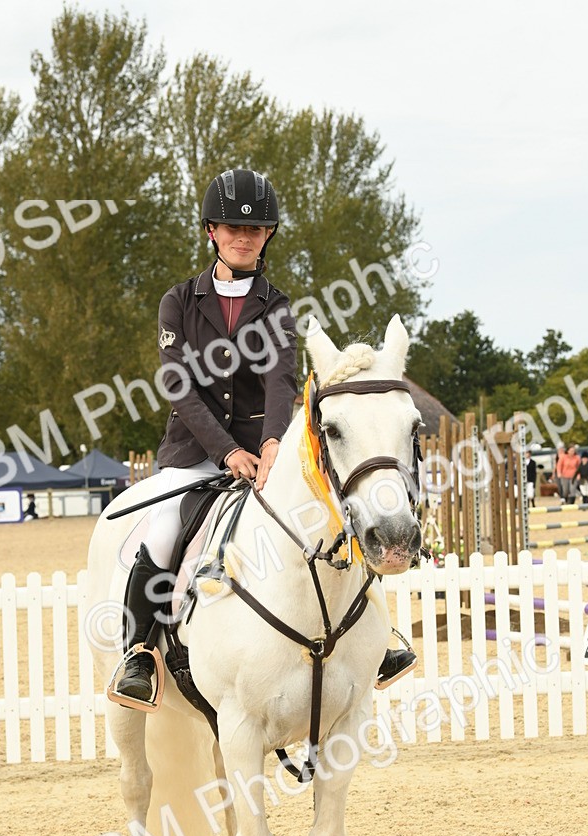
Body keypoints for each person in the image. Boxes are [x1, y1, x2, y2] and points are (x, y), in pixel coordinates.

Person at [111, 168, 416, 705]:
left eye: (254, 229)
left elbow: (281, 381)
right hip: (193, 451)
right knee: (160, 534)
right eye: (232, 227)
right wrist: (225, 451)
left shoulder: (276, 306)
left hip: (267, 450)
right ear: (212, 231)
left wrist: (273, 443)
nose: (243, 236)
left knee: (336, 518)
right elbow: (179, 386)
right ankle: (140, 652)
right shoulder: (178, 302)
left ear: (268, 235)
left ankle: (376, 639)